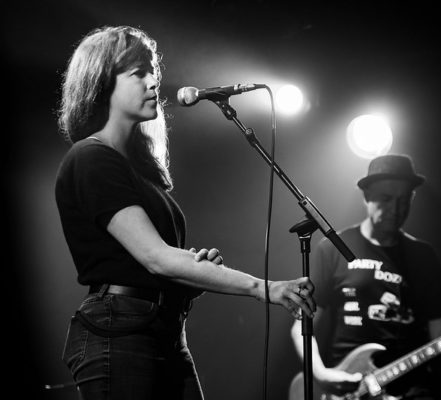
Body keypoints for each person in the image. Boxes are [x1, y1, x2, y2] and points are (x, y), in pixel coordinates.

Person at [55, 25, 315, 400]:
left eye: (154, 72)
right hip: (118, 330)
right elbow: (155, 257)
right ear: (101, 81)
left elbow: (155, 264)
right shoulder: (91, 158)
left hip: (164, 330)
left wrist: (191, 274)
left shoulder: (141, 173)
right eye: (138, 73)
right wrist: (265, 288)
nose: (153, 83)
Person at [290, 154, 441, 399]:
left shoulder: (423, 256)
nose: (396, 210)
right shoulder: (334, 248)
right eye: (386, 199)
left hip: (410, 388)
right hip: (348, 387)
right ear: (366, 196)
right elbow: (302, 325)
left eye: (404, 200)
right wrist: (321, 375)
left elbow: (438, 334)